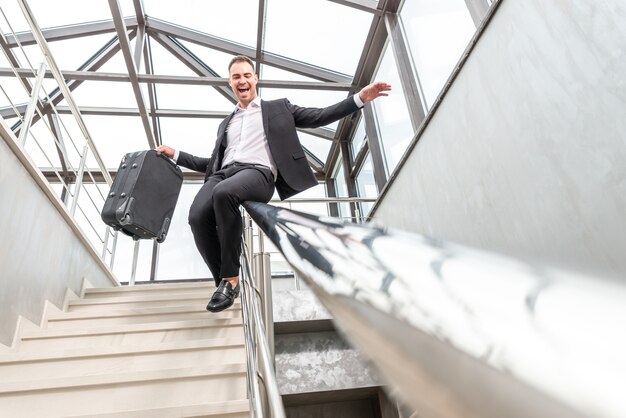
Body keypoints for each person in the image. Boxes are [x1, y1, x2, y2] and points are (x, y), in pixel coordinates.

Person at [157, 55, 390, 313]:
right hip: (223, 174)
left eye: (247, 75)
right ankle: (225, 283)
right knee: (197, 216)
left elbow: (319, 116)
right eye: (236, 77)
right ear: (230, 82)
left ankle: (231, 276)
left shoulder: (279, 108)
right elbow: (210, 163)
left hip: (258, 173)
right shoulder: (227, 123)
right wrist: (176, 154)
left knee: (224, 195)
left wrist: (360, 98)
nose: (242, 80)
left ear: (255, 79)